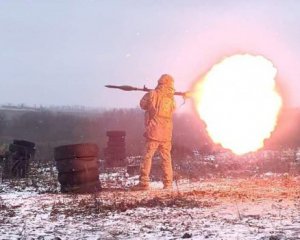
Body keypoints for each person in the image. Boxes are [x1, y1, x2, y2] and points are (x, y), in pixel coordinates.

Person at [133, 74, 176, 190]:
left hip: (154, 131)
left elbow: (142, 105)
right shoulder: (171, 98)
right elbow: (173, 110)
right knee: (166, 158)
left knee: (147, 157)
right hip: (166, 133)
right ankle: (168, 183)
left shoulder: (153, 94)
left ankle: (143, 182)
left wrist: (149, 94)